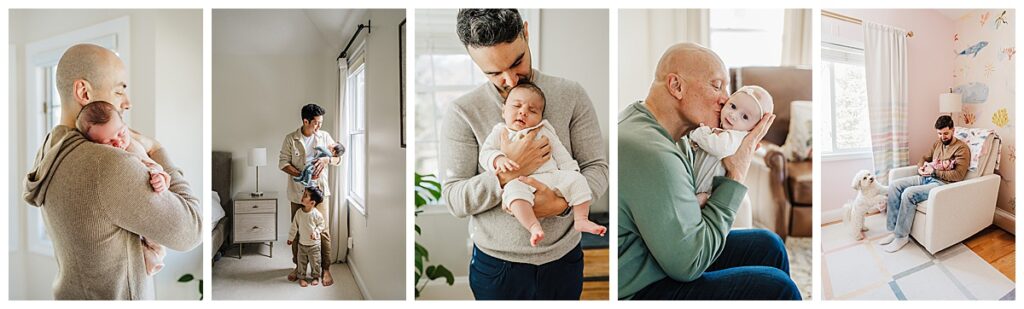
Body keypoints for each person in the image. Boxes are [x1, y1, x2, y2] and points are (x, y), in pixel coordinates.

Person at [441, 9, 608, 300]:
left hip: (564, 260)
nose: (510, 80)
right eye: (493, 73)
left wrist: (561, 205)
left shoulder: (571, 94)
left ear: (526, 33)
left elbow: (597, 168)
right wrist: (508, 174)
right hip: (497, 269)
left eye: (516, 62)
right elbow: (455, 199)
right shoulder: (463, 112)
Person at [618, 43, 799, 300]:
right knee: (778, 287)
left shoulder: (675, 134)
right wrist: (736, 173)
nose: (726, 98)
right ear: (676, 86)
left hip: (658, 257)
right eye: (717, 85)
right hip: (639, 288)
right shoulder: (652, 151)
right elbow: (690, 264)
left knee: (769, 246)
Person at [23, 43, 202, 300]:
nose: (127, 103)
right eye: (120, 91)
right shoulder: (107, 163)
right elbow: (191, 230)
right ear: (83, 91)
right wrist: (156, 148)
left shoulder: (50, 148)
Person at [479, 82, 607, 247]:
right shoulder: (500, 132)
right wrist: (498, 159)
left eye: (532, 110)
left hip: (552, 177)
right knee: (512, 193)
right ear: (503, 110)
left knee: (579, 180)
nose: (523, 112)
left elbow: (560, 152)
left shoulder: (544, 130)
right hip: (522, 180)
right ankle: (533, 226)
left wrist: (571, 172)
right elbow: (486, 153)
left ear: (540, 116)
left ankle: (581, 219)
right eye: (516, 105)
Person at [75, 100, 171, 276]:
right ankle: (150, 257)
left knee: (151, 234)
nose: (118, 142)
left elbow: (154, 165)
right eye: (109, 142)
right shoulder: (105, 159)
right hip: (127, 210)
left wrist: (161, 178)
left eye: (121, 133)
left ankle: (155, 255)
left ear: (126, 126)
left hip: (148, 201)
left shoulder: (134, 147)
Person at [880, 115, 969, 253]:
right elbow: (924, 158)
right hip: (926, 177)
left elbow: (958, 175)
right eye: (939, 133)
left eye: (946, 133)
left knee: (908, 194)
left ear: (953, 130)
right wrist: (921, 168)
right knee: (894, 186)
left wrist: (934, 171)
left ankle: (902, 237)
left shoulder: (961, 149)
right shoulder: (937, 144)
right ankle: (894, 230)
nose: (942, 137)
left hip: (941, 184)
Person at [279, 103, 342, 286]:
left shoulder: (324, 137)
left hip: (319, 192)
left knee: (322, 232)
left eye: (321, 122)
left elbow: (338, 158)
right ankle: (299, 268)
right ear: (305, 121)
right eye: (316, 123)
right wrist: (301, 175)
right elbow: (282, 163)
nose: (319, 126)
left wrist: (327, 159)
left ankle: (325, 269)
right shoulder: (291, 139)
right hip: (298, 193)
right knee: (298, 231)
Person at [689, 86, 774, 206]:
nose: (733, 115)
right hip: (696, 183)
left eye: (744, 117)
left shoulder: (737, 137)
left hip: (706, 192)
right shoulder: (724, 129)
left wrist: (699, 132)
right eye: (733, 106)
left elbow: (718, 147)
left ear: (753, 128)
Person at [287, 187, 327, 287]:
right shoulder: (299, 213)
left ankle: (315, 277)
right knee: (301, 262)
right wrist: (290, 238)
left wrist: (316, 232)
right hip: (302, 244)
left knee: (315, 262)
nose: (302, 196)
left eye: (305, 196)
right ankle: (302, 277)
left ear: (312, 203)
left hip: (314, 245)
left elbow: (321, 225)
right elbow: (294, 227)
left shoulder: (316, 214)